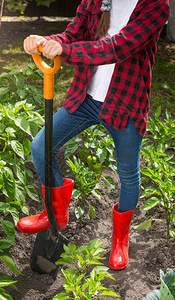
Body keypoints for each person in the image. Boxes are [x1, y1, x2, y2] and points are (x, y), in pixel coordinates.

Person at [17, 0, 170, 270]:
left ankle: (120, 239)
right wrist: (46, 41)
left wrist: (66, 49)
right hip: (84, 98)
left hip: (125, 104)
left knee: (127, 173)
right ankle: (56, 214)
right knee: (41, 147)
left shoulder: (155, 5)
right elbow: (72, 35)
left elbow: (119, 47)